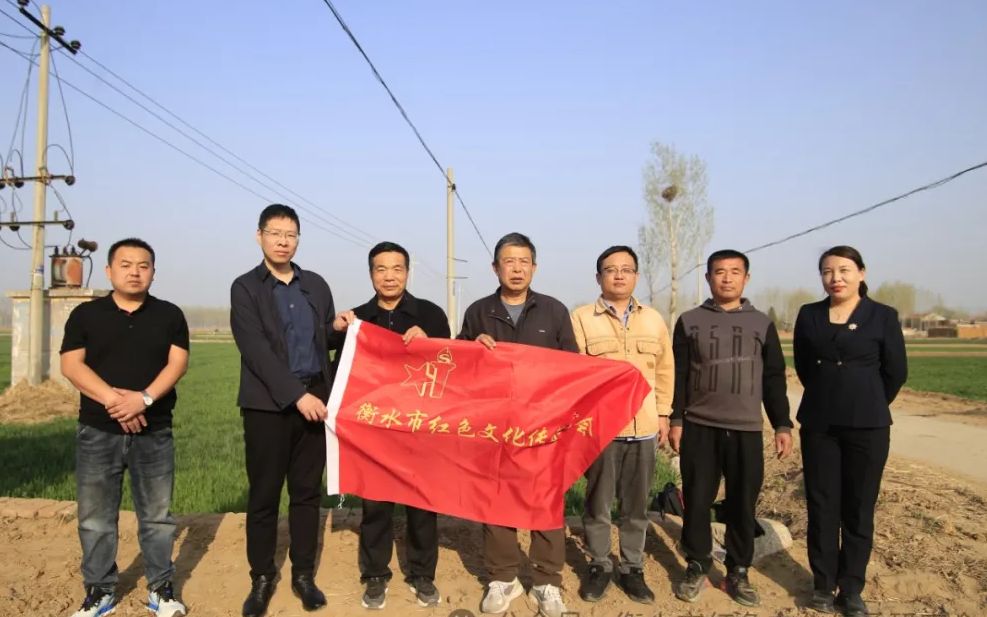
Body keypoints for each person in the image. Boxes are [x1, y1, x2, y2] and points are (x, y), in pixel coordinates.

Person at [61, 238, 190, 617]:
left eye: (143, 265)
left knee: (157, 516)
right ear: (109, 271)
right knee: (95, 517)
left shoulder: (169, 315)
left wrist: (144, 399)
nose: (135, 272)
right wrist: (117, 402)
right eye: (126, 264)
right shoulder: (86, 315)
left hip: (155, 431)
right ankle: (99, 590)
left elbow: (177, 363)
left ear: (153, 272)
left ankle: (161, 589)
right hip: (98, 431)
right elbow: (72, 365)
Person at [458, 232, 577, 617]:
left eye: (524, 261)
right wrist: (472, 347)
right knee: (497, 500)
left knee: (546, 501)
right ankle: (502, 577)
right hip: (495, 425)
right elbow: (458, 363)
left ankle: (546, 582)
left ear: (534, 267)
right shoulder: (479, 311)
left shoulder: (554, 311)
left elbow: (572, 367)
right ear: (495, 267)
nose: (517, 268)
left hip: (543, 424)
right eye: (509, 261)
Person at [231, 204, 340, 617]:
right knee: (264, 495)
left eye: (290, 234)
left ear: (298, 240)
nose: (282, 241)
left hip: (315, 402)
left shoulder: (316, 285)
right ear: (259, 236)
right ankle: (261, 578)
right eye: (275, 233)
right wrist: (297, 396)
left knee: (307, 494)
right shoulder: (246, 287)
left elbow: (321, 340)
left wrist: (337, 329)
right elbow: (256, 350)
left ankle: (303, 576)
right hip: (268, 406)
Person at [669, 249, 793, 607]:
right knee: (697, 499)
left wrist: (782, 423)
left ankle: (738, 569)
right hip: (699, 426)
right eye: (719, 272)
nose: (727, 278)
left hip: (746, 429)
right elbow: (678, 374)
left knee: (742, 502)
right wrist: (676, 419)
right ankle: (697, 563)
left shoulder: (761, 324)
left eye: (735, 272)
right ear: (708, 278)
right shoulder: (689, 321)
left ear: (746, 278)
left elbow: (773, 378)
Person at [330, 241, 450, 610]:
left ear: (407, 273)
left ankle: (422, 574)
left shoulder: (430, 315)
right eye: (381, 269)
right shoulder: (358, 320)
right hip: (374, 431)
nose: (389, 276)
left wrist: (430, 343)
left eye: (397, 269)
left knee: (422, 505)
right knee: (376, 506)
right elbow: (338, 368)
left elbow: (450, 364)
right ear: (371, 274)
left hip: (419, 428)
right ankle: (375, 575)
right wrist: (336, 328)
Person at [794, 245, 907, 617]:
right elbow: (805, 367)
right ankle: (823, 585)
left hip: (868, 426)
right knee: (822, 505)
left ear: (861, 273)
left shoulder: (883, 316)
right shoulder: (809, 315)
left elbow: (895, 372)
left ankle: (852, 588)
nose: (836, 278)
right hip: (820, 425)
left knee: (859, 508)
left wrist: (868, 399)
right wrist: (830, 394)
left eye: (844, 270)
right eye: (828, 271)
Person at [570, 245, 673, 605]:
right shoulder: (581, 318)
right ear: (598, 277)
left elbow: (665, 370)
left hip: (643, 427)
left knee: (636, 506)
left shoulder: (654, 320)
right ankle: (599, 565)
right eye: (610, 269)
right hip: (601, 429)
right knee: (598, 503)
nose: (618, 275)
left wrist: (663, 414)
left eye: (626, 269)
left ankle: (632, 568)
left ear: (636, 276)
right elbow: (574, 373)